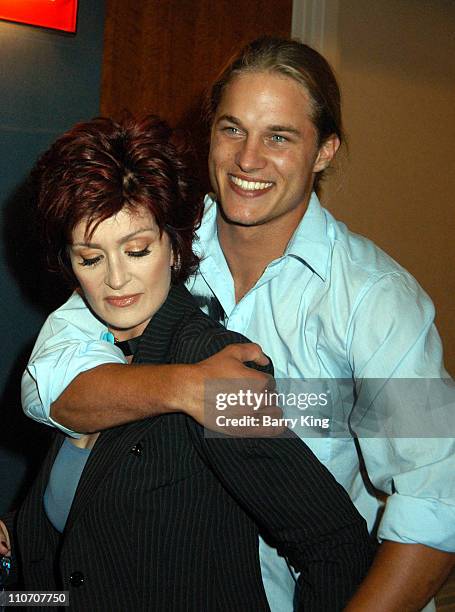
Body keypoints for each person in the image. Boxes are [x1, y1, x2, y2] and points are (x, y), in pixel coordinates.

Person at [16, 36, 455, 611]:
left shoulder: (376, 303)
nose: (248, 159)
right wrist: (192, 389)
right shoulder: (156, 246)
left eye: (279, 136)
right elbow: (50, 384)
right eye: (232, 129)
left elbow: (438, 501)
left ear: (325, 150)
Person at [0, 114, 374, 611]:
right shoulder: (85, 349)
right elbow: (80, 564)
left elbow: (336, 544)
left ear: (174, 247)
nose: (116, 280)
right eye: (90, 258)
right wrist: (17, 547)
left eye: (136, 250)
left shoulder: (213, 364)